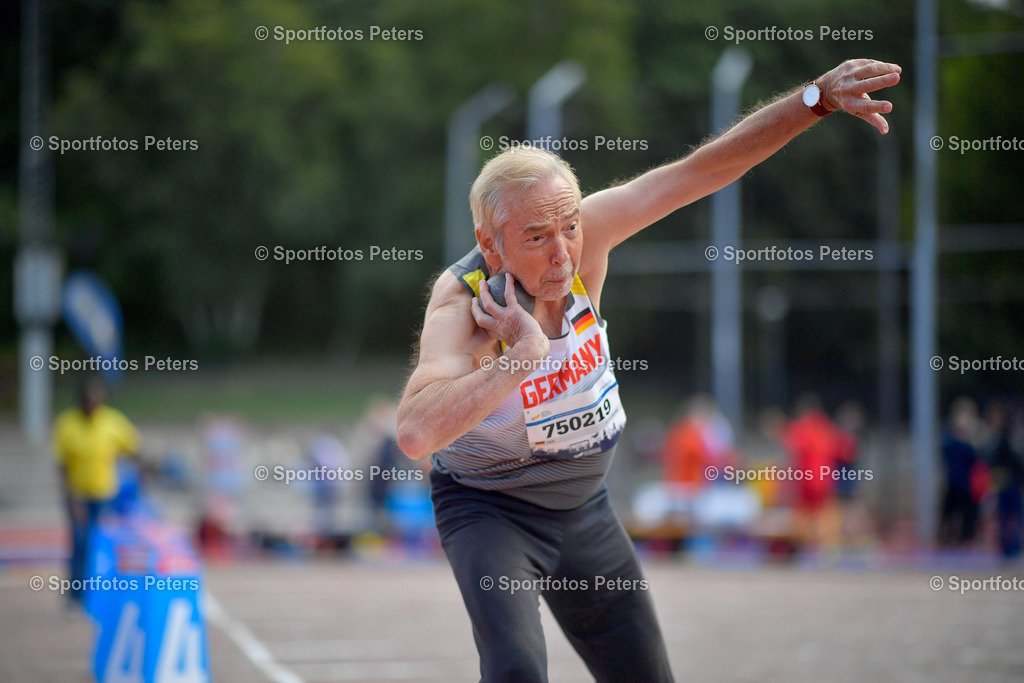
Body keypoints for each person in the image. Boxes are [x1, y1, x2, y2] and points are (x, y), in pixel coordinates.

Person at [397, 59, 901, 681]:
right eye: (536, 238)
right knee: (516, 671)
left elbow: (701, 171)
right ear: (490, 241)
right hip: (492, 512)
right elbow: (417, 432)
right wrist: (518, 360)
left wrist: (815, 100)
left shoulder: (589, 235)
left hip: (585, 509)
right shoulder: (463, 309)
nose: (562, 255)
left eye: (570, 227)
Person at [52, 376, 140, 608]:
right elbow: (62, 465)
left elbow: (133, 448)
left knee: (99, 544)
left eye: (97, 399)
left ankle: (96, 596)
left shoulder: (112, 421)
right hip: (77, 494)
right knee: (80, 543)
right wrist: (70, 497)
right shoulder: (67, 423)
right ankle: (75, 596)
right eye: (90, 399)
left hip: (104, 495)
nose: (94, 404)